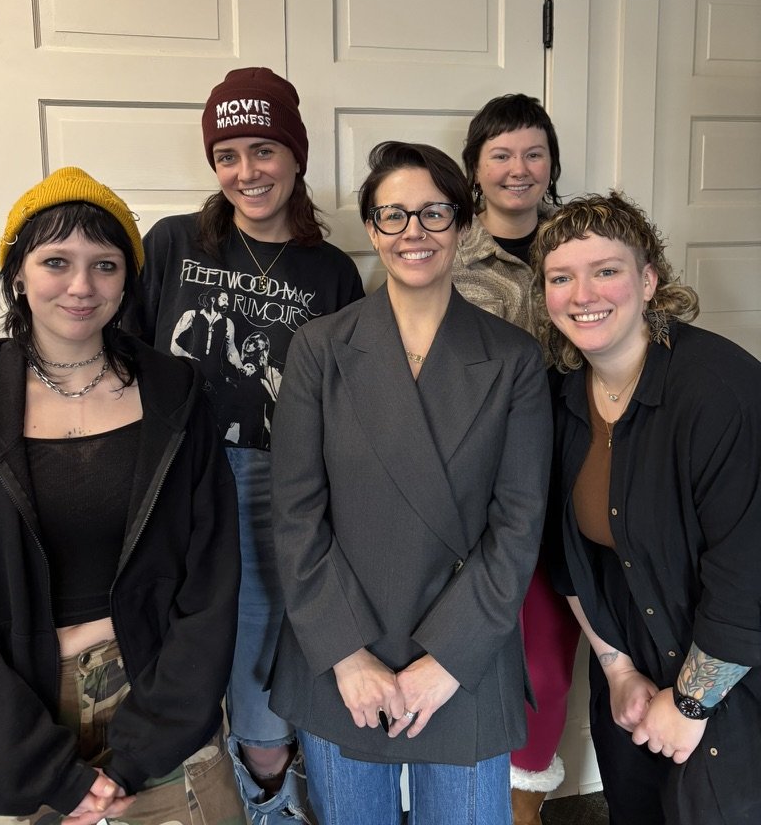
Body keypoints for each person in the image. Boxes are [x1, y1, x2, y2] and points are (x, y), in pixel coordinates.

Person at [268, 141, 553, 825]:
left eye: (433, 212)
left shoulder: (514, 359)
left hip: (464, 656)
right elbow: (297, 514)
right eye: (393, 215)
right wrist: (346, 654)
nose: (413, 232)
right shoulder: (319, 348)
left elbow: (518, 525)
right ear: (371, 228)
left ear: (462, 223)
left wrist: (447, 659)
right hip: (344, 654)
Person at [137, 67, 364, 822]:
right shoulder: (173, 243)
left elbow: (345, 397)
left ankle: (272, 796)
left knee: (263, 677)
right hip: (175, 479)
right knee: (176, 660)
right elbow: (127, 356)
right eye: (227, 154)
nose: (245, 172)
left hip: (279, 483)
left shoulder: (330, 272)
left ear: (296, 157)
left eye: (262, 150)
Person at [0, 167, 242, 823]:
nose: (81, 286)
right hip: (19, 723)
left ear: (127, 280)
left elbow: (211, 579)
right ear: (18, 273)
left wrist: (145, 745)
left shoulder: (176, 392)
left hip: (160, 703)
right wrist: (40, 765)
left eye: (105, 265)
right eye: (56, 261)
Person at [532, 190, 761, 825]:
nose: (584, 294)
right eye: (561, 277)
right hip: (630, 665)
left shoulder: (720, 391)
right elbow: (566, 557)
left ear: (649, 279)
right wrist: (617, 668)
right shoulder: (562, 398)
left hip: (735, 674)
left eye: (606, 270)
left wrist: (689, 706)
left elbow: (749, 572)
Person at [453, 94, 580, 825]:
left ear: (552, 165)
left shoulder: (580, 247)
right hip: (478, 496)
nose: (518, 169)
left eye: (534, 153)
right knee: (465, 657)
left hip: (571, 489)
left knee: (548, 668)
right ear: (476, 167)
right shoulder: (443, 251)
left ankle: (524, 809)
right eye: (501, 153)